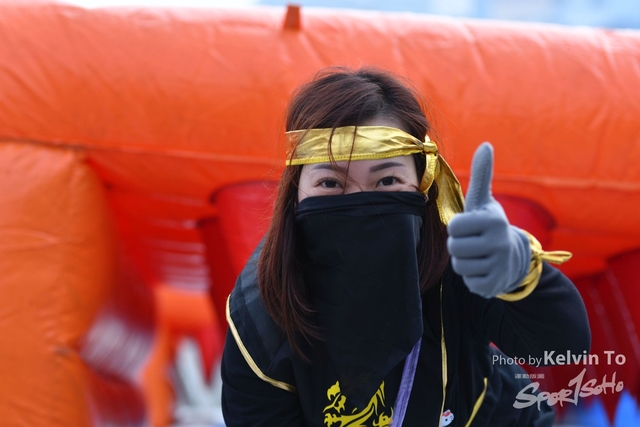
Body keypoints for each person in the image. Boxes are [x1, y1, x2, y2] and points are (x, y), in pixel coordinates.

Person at [220, 67, 591, 426]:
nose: (360, 202)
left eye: (387, 181)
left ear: (423, 185)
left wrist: (521, 274)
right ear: (295, 193)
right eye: (331, 183)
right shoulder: (261, 313)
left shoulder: (456, 262)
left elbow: (562, 349)